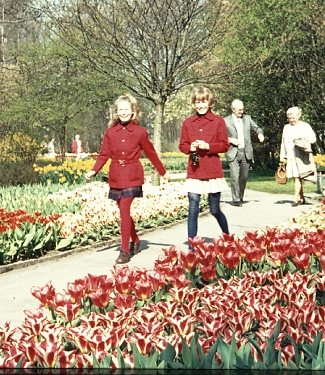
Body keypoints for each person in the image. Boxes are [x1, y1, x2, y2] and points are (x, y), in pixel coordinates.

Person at [86, 93, 170, 265]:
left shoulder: (140, 132)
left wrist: (163, 172)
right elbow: (104, 154)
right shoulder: (110, 132)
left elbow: (151, 153)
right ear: (116, 112)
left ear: (133, 112)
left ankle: (125, 250)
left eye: (127, 110)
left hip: (133, 175)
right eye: (120, 110)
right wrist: (94, 170)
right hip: (116, 175)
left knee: (125, 208)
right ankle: (136, 239)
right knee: (123, 212)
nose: (123, 113)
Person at [179, 86, 231, 244]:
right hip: (194, 171)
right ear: (193, 104)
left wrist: (208, 146)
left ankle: (228, 237)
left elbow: (224, 145)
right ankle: (192, 246)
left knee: (214, 210)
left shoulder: (218, 122)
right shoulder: (188, 123)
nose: (201, 105)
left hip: (212, 170)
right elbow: (182, 145)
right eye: (197, 102)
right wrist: (190, 148)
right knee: (193, 208)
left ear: (210, 103)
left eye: (204, 102)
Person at [224, 99, 264, 206]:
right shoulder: (225, 121)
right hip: (233, 152)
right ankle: (236, 199)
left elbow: (257, 128)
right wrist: (230, 140)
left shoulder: (247, 118)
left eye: (242, 109)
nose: (242, 112)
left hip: (246, 151)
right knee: (234, 176)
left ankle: (240, 196)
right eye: (239, 110)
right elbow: (219, 136)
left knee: (244, 177)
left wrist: (260, 134)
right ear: (233, 110)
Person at [278, 106, 317, 207]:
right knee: (296, 177)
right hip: (291, 156)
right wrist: (282, 156)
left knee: (298, 177)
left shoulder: (305, 126)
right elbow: (283, 142)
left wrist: (301, 140)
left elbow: (313, 139)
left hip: (301, 155)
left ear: (298, 116)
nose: (291, 120)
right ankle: (301, 197)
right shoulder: (286, 128)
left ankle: (296, 198)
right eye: (289, 118)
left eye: (293, 118)